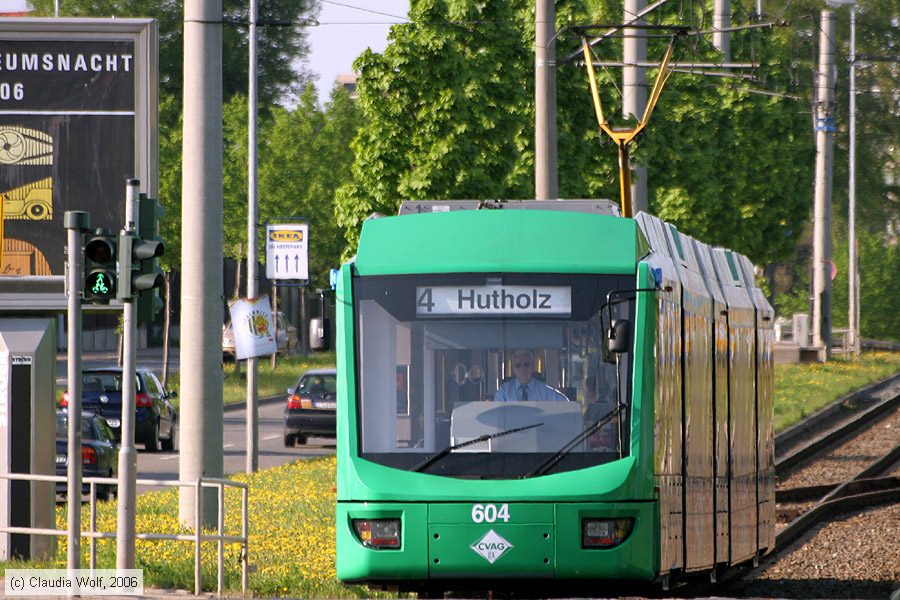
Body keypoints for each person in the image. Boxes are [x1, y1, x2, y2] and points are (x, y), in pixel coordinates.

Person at [494, 349, 568, 401]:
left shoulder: (544, 390)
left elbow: (565, 404)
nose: (522, 369)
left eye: (526, 364)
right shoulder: (504, 392)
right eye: (518, 365)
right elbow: (497, 416)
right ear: (513, 370)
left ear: (532, 367)